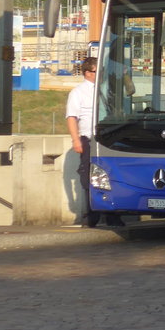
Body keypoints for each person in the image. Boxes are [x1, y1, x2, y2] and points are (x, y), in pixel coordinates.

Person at [66, 56, 106, 227]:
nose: (101, 75)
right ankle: (91, 215)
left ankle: (112, 214)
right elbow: (71, 117)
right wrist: (76, 140)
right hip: (88, 138)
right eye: (97, 71)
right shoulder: (78, 92)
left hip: (107, 138)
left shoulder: (107, 89)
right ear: (88, 73)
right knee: (88, 177)